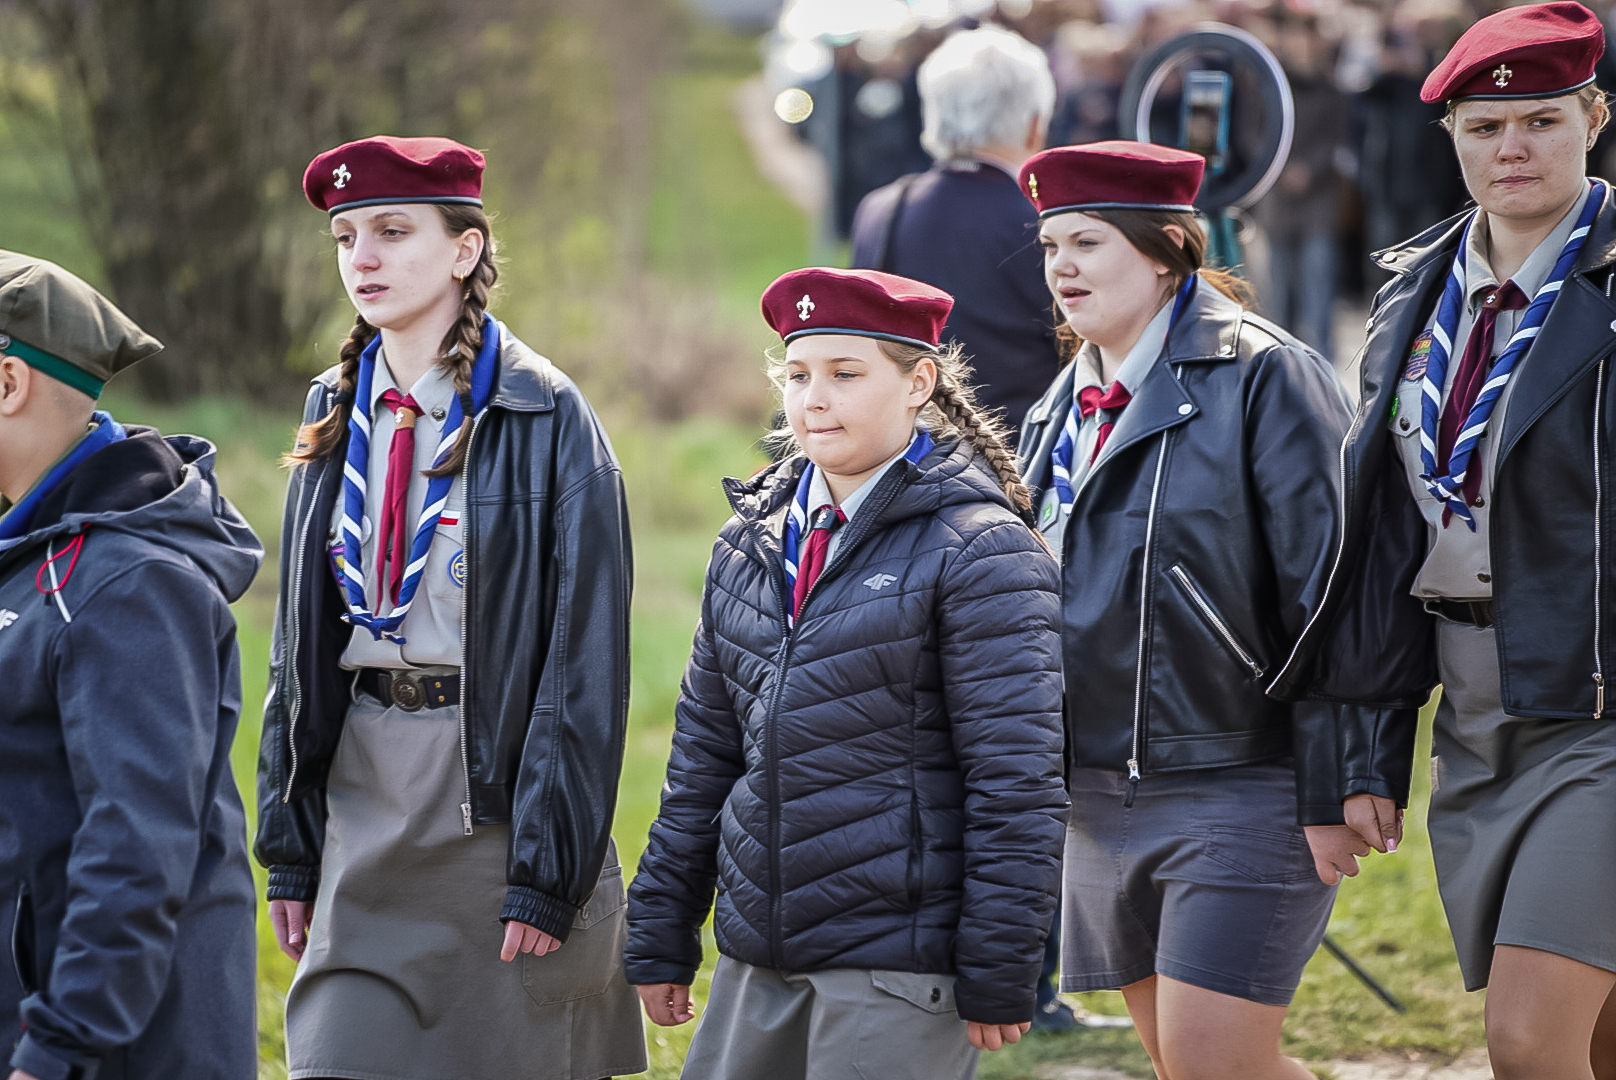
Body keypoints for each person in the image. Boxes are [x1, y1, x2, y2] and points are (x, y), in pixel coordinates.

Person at [254, 136, 646, 1080]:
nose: (363, 258)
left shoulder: (545, 412)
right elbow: (294, 649)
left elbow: (584, 662)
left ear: (466, 249)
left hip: (493, 805)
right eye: (347, 238)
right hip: (364, 791)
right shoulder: (333, 405)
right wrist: (293, 845)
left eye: (393, 231)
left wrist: (549, 869)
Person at [1279, 5, 1616, 1077]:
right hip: (1470, 705)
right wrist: (1363, 744)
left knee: (1526, 1039)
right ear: (1452, 139)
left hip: (1598, 707)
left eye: (1541, 120)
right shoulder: (1410, 290)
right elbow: (1382, 542)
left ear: (1593, 120)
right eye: (1484, 127)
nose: (1511, 147)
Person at [624, 267, 1069, 1079]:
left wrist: (1003, 963)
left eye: (845, 374)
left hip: (895, 960)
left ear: (918, 383)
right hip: (758, 952)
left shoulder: (982, 550)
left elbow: (1017, 781)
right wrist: (661, 926)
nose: (814, 400)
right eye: (797, 375)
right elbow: (702, 759)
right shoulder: (748, 543)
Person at [1015, 142, 1383, 1080]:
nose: (1061, 267)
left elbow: (1337, 588)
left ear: (1165, 247)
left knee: (1214, 1061)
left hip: (1241, 772)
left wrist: (1336, 781)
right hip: (1097, 791)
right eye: (1051, 244)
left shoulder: (1267, 373)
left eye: (1087, 242)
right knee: (1186, 1067)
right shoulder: (1058, 409)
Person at [0, 251, 260, 1080]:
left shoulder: (130, 584)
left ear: (8, 383)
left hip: (99, 1051)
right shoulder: (32, 555)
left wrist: (57, 1049)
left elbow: (135, 848)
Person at [851, 25, 1060, 435]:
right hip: (1022, 456)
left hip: (909, 453)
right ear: (1035, 125)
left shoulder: (881, 210)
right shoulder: (1048, 223)